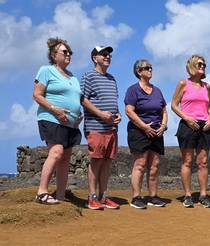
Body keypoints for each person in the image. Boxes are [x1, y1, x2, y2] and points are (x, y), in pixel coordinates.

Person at [33, 37, 83, 205]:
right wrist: (55, 109)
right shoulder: (46, 70)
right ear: (54, 55)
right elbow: (37, 95)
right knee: (56, 152)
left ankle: (61, 196)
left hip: (70, 123)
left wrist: (78, 115)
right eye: (65, 52)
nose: (68, 54)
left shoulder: (73, 77)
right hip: (51, 118)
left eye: (70, 52)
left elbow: (75, 99)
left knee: (65, 159)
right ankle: (41, 192)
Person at [80, 46, 122, 210]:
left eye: (109, 54)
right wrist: (100, 114)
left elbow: (113, 102)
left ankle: (104, 196)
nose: (107, 56)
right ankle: (92, 197)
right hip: (95, 126)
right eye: (103, 54)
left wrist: (117, 115)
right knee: (96, 161)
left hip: (111, 128)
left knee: (107, 163)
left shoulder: (112, 79)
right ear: (94, 58)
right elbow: (82, 99)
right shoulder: (88, 76)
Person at [125, 59, 168, 209]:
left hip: (157, 131)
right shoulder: (133, 90)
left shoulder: (157, 91)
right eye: (146, 68)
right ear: (139, 71)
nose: (150, 70)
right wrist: (144, 126)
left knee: (155, 165)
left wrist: (163, 125)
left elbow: (164, 111)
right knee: (140, 164)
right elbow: (129, 111)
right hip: (139, 131)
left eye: (151, 67)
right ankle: (136, 197)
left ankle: (153, 196)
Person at [171, 54, 210, 208]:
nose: (202, 67)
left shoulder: (206, 86)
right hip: (188, 126)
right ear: (192, 66)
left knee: (203, 162)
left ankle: (203, 195)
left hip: (204, 127)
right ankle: (188, 195)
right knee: (187, 161)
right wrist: (187, 118)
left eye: (204, 65)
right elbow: (174, 104)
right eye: (200, 64)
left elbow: (209, 106)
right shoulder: (183, 83)